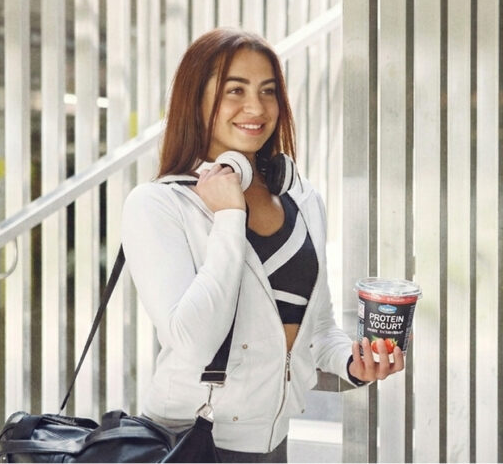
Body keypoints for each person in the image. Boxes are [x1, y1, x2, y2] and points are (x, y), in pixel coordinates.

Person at [122, 27, 404, 462]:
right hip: (191, 442)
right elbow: (192, 342)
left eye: (268, 91)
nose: (256, 108)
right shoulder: (159, 204)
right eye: (235, 90)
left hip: (273, 442)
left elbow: (318, 329)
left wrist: (355, 363)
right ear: (195, 101)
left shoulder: (303, 200)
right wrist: (229, 218)